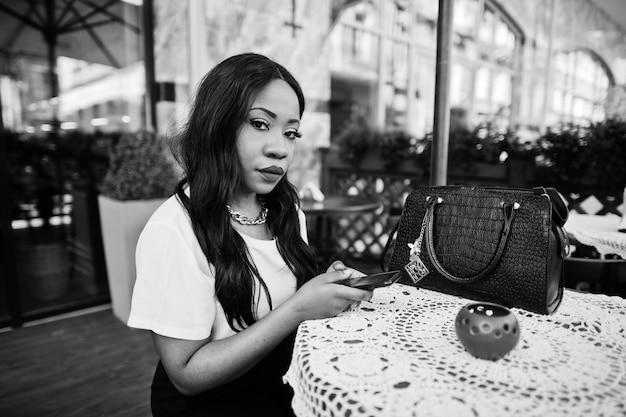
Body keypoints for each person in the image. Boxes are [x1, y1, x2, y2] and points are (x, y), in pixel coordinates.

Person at [127, 52, 373, 417]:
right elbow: (186, 375)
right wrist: (299, 308)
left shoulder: (285, 208)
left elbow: (283, 295)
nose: (281, 148)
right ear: (218, 124)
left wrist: (324, 286)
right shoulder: (174, 230)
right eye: (260, 124)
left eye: (291, 132)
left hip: (285, 382)